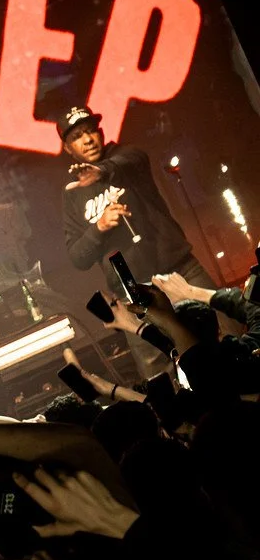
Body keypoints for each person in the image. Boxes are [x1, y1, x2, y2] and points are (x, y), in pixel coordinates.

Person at [59, 105, 217, 376]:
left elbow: (134, 159)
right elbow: (77, 258)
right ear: (67, 148)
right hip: (132, 291)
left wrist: (101, 172)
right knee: (159, 374)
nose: (87, 140)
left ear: (100, 132)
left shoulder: (126, 158)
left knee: (226, 336)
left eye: (90, 131)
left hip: (179, 270)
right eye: (77, 137)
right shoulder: (71, 194)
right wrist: (99, 227)